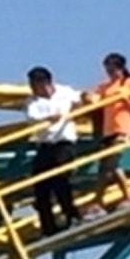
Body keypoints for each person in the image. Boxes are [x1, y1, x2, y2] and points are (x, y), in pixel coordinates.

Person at [25, 66, 83, 237]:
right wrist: (50, 118)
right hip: (45, 144)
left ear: (46, 83)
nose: (33, 88)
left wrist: (86, 99)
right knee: (40, 184)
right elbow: (32, 118)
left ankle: (72, 215)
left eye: (35, 84)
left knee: (60, 178)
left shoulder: (64, 92)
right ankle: (48, 226)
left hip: (64, 143)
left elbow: (80, 97)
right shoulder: (32, 102)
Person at [84, 53, 130, 212]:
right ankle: (100, 201)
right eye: (107, 69)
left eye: (112, 69)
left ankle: (125, 196)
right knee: (106, 166)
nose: (110, 72)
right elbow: (95, 97)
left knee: (112, 162)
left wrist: (124, 97)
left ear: (120, 68)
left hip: (123, 127)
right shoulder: (105, 86)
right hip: (108, 129)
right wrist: (88, 97)